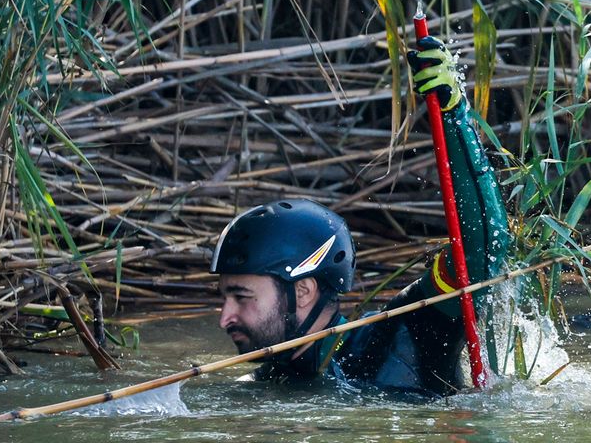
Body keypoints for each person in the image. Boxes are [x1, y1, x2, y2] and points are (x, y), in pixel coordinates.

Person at [210, 36, 513, 396]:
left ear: (303, 291)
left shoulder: (405, 330)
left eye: (242, 297)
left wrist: (454, 115)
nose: (224, 317)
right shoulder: (264, 383)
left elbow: (484, 248)